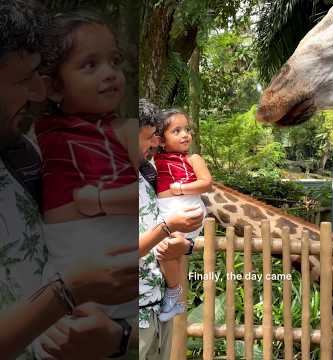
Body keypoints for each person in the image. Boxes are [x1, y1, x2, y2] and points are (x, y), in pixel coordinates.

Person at [0, 1, 138, 358]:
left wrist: (119, 338)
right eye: (22, 79)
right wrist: (66, 292)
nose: (36, 93)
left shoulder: (26, 155)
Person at [138, 99, 205, 360]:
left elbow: (172, 223)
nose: (154, 144)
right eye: (148, 138)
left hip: (158, 309)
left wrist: (185, 245)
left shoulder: (149, 174)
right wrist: (168, 227)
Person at [153, 109, 212, 321]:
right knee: (165, 251)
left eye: (186, 129)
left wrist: (180, 189)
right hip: (168, 210)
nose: (185, 134)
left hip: (187, 208)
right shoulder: (154, 159)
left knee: (168, 246)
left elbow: (206, 183)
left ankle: (173, 294)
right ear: (160, 140)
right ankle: (175, 295)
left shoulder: (193, 159)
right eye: (176, 131)